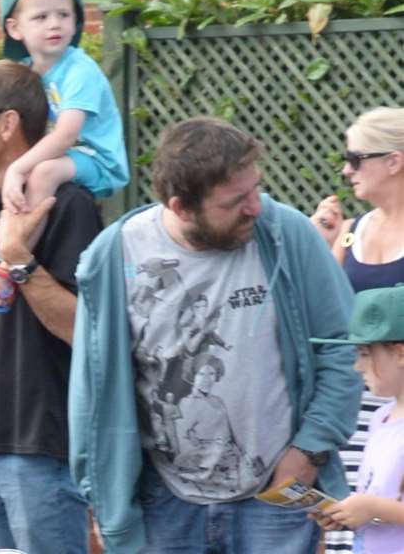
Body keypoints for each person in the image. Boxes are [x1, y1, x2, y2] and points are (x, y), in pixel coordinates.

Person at [71, 117, 362, 554]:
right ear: (181, 207)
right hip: (163, 503)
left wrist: (310, 450)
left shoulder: (287, 235)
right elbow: (91, 389)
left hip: (273, 500)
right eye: (234, 201)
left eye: (255, 189)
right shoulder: (114, 255)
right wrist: (103, 494)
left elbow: (342, 347)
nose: (255, 207)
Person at [0, 61, 100, 554]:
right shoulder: (0, 206)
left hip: (46, 445)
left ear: (7, 124)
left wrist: (18, 259)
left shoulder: (68, 205)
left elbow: (85, 329)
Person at [0, 0, 127, 337]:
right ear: (14, 29)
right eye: (41, 17)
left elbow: (69, 133)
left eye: (64, 15)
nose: (54, 24)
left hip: (96, 160)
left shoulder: (79, 69)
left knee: (41, 173)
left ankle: (7, 269)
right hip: (58, 156)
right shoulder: (25, 73)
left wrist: (20, 168)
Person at [311, 108, 404, 553]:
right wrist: (322, 242)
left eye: (355, 156)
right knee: (354, 524)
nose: (346, 169)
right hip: (358, 404)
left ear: (394, 160)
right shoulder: (351, 232)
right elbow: (326, 321)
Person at [310, 285, 404, 551]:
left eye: (364, 354)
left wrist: (372, 507)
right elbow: (379, 498)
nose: (357, 366)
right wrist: (346, 515)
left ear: (399, 353)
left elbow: (379, 505)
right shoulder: (381, 418)